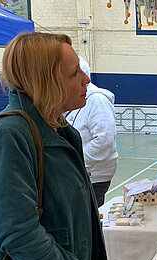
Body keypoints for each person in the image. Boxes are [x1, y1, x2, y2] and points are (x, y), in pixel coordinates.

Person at [0, 32, 109, 260]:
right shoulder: (11, 135)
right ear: (45, 82)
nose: (85, 79)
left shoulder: (59, 129)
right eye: (74, 74)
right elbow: (18, 235)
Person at [65, 56, 118, 207]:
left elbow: (104, 142)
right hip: (79, 174)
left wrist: (75, 161)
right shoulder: (75, 99)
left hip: (94, 177)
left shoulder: (97, 101)